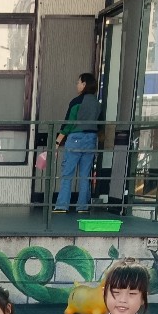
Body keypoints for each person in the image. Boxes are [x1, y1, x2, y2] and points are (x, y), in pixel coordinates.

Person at [52, 72, 101, 213]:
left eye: (78, 82)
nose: (77, 85)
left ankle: (62, 206)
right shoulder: (97, 104)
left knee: (67, 174)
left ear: (84, 84)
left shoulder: (76, 102)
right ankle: (82, 207)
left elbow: (69, 123)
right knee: (85, 176)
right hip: (91, 139)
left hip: (76, 139)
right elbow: (100, 125)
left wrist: (57, 142)